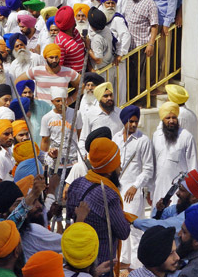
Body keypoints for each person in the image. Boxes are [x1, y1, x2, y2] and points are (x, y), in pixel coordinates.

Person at [66, 137, 130, 273]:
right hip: (101, 265)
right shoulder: (109, 196)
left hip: (76, 260)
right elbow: (123, 232)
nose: (120, 168)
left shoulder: (77, 184)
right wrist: (125, 218)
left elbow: (71, 215)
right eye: (117, 164)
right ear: (109, 170)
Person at [114, 105, 153, 268]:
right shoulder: (115, 138)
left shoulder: (143, 141)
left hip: (134, 192)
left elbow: (148, 169)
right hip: (117, 190)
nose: (133, 124)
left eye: (136, 121)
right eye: (130, 121)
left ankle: (137, 266)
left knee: (135, 229)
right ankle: (124, 262)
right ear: (124, 121)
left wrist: (135, 186)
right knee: (120, 227)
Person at [151, 102, 197, 207]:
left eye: (174, 118)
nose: (171, 121)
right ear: (162, 119)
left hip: (179, 193)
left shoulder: (186, 137)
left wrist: (192, 193)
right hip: (158, 190)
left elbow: (193, 167)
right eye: (168, 118)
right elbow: (152, 165)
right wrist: (150, 190)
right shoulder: (156, 136)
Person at [78, 82, 122, 154]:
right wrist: (83, 157)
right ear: (99, 98)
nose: (109, 98)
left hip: (116, 156)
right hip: (97, 157)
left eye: (111, 95)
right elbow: (83, 139)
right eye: (106, 96)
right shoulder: (90, 115)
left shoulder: (120, 113)